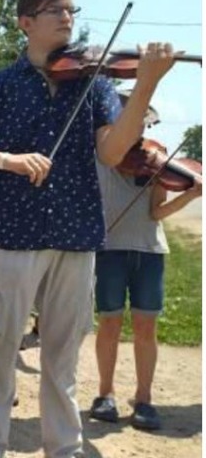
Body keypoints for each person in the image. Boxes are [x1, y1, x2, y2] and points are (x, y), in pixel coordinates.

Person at [0, 0, 178, 458]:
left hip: (76, 233)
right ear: (26, 23)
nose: (67, 17)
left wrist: (147, 83)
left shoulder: (95, 83)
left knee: (61, 358)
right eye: (55, 10)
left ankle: (63, 449)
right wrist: (6, 159)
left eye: (71, 9)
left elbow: (110, 152)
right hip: (11, 236)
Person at [89, 132, 202, 430]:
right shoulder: (101, 159)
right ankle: (105, 394)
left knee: (145, 327)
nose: (135, 155)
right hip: (110, 252)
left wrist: (190, 194)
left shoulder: (153, 165)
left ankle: (144, 398)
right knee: (109, 323)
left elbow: (156, 213)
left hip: (149, 253)